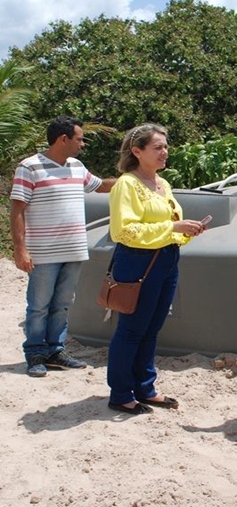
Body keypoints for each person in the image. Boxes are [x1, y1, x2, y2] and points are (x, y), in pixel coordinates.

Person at [105, 123, 208, 415]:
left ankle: (145, 388)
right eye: (158, 147)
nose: (165, 152)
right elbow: (124, 231)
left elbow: (167, 226)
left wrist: (185, 231)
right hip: (138, 260)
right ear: (137, 152)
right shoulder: (127, 184)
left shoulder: (162, 184)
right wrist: (173, 227)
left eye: (165, 146)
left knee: (151, 328)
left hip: (165, 259)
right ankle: (121, 393)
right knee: (132, 329)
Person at [11, 115, 116, 378]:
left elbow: (101, 186)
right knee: (39, 306)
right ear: (63, 139)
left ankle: (56, 351)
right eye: (79, 139)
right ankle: (35, 354)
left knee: (64, 304)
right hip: (44, 252)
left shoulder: (77, 167)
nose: (83, 144)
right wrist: (20, 249)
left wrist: (131, 178)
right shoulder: (30, 167)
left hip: (74, 249)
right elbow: (17, 211)